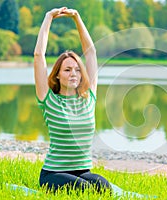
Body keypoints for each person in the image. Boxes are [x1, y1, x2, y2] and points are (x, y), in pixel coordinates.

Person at [34, 7, 112, 194]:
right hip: (53, 173)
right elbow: (39, 57)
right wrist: (48, 18)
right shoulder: (49, 99)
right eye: (67, 70)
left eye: (77, 69)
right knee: (84, 190)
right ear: (58, 75)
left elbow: (91, 53)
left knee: (104, 188)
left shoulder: (89, 98)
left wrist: (77, 17)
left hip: (82, 171)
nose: (73, 74)